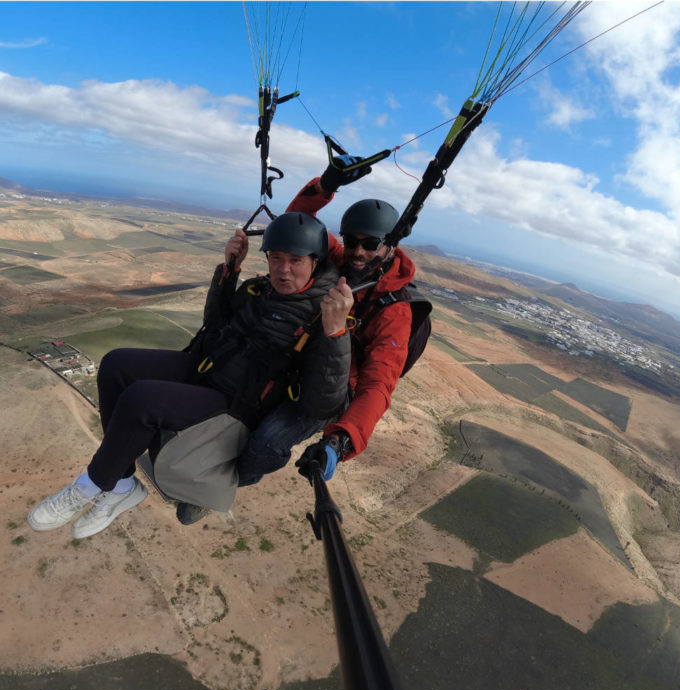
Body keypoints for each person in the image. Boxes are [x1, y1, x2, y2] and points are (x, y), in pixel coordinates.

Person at [27, 212, 353, 538]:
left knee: (142, 400)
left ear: (315, 261)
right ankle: (122, 483)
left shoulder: (326, 315)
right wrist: (230, 270)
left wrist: (335, 334)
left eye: (295, 260)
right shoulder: (260, 290)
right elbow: (215, 323)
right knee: (116, 366)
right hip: (207, 369)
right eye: (276, 258)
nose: (283, 269)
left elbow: (322, 403)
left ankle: (93, 483)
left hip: (237, 403)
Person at [234, 159, 416, 485]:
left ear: (390, 246)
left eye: (371, 244)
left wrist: (339, 440)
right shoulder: (341, 260)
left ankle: (234, 481)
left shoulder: (393, 312)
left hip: (334, 390)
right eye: (352, 241)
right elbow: (297, 226)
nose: (358, 251)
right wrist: (326, 186)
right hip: (300, 356)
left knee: (267, 441)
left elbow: (378, 385)